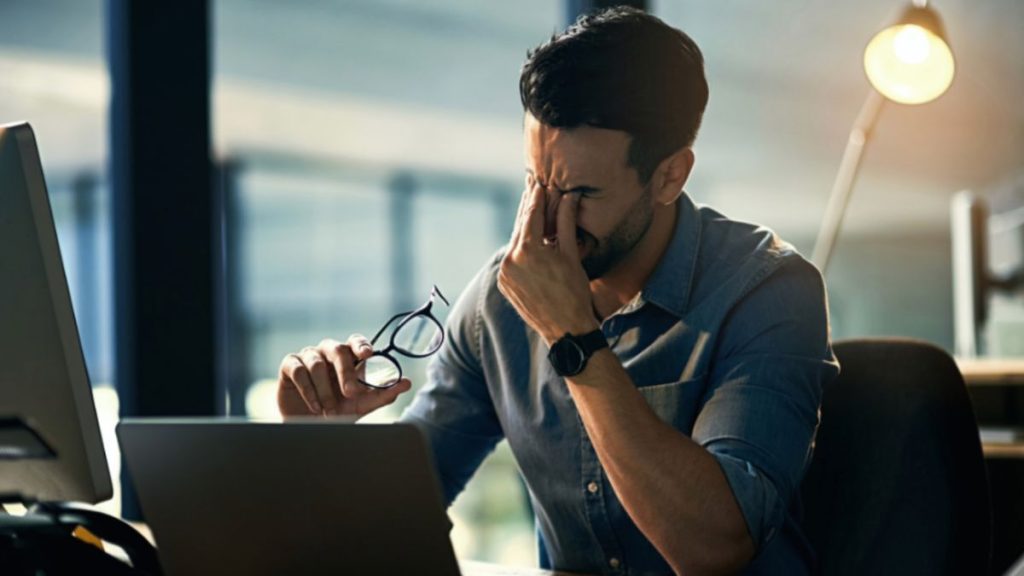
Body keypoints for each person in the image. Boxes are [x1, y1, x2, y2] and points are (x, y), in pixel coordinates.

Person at [277, 7, 839, 575]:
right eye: (535, 182)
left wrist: (573, 339)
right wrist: (320, 445)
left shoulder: (768, 291)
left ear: (670, 175)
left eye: (580, 194)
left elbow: (714, 546)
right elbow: (399, 517)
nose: (547, 222)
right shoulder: (497, 305)